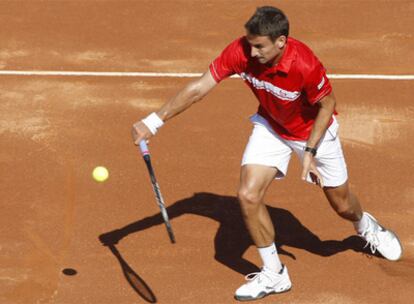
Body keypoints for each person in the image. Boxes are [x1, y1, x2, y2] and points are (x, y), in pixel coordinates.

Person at [131, 6, 403, 302]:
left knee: (341, 205)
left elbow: (327, 106)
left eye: (259, 46)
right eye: (249, 43)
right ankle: (275, 274)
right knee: (248, 194)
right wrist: (153, 121)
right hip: (271, 126)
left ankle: (365, 226)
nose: (252, 51)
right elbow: (200, 88)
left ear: (281, 42)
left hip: (314, 134)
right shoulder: (241, 52)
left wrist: (309, 152)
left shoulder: (305, 65)